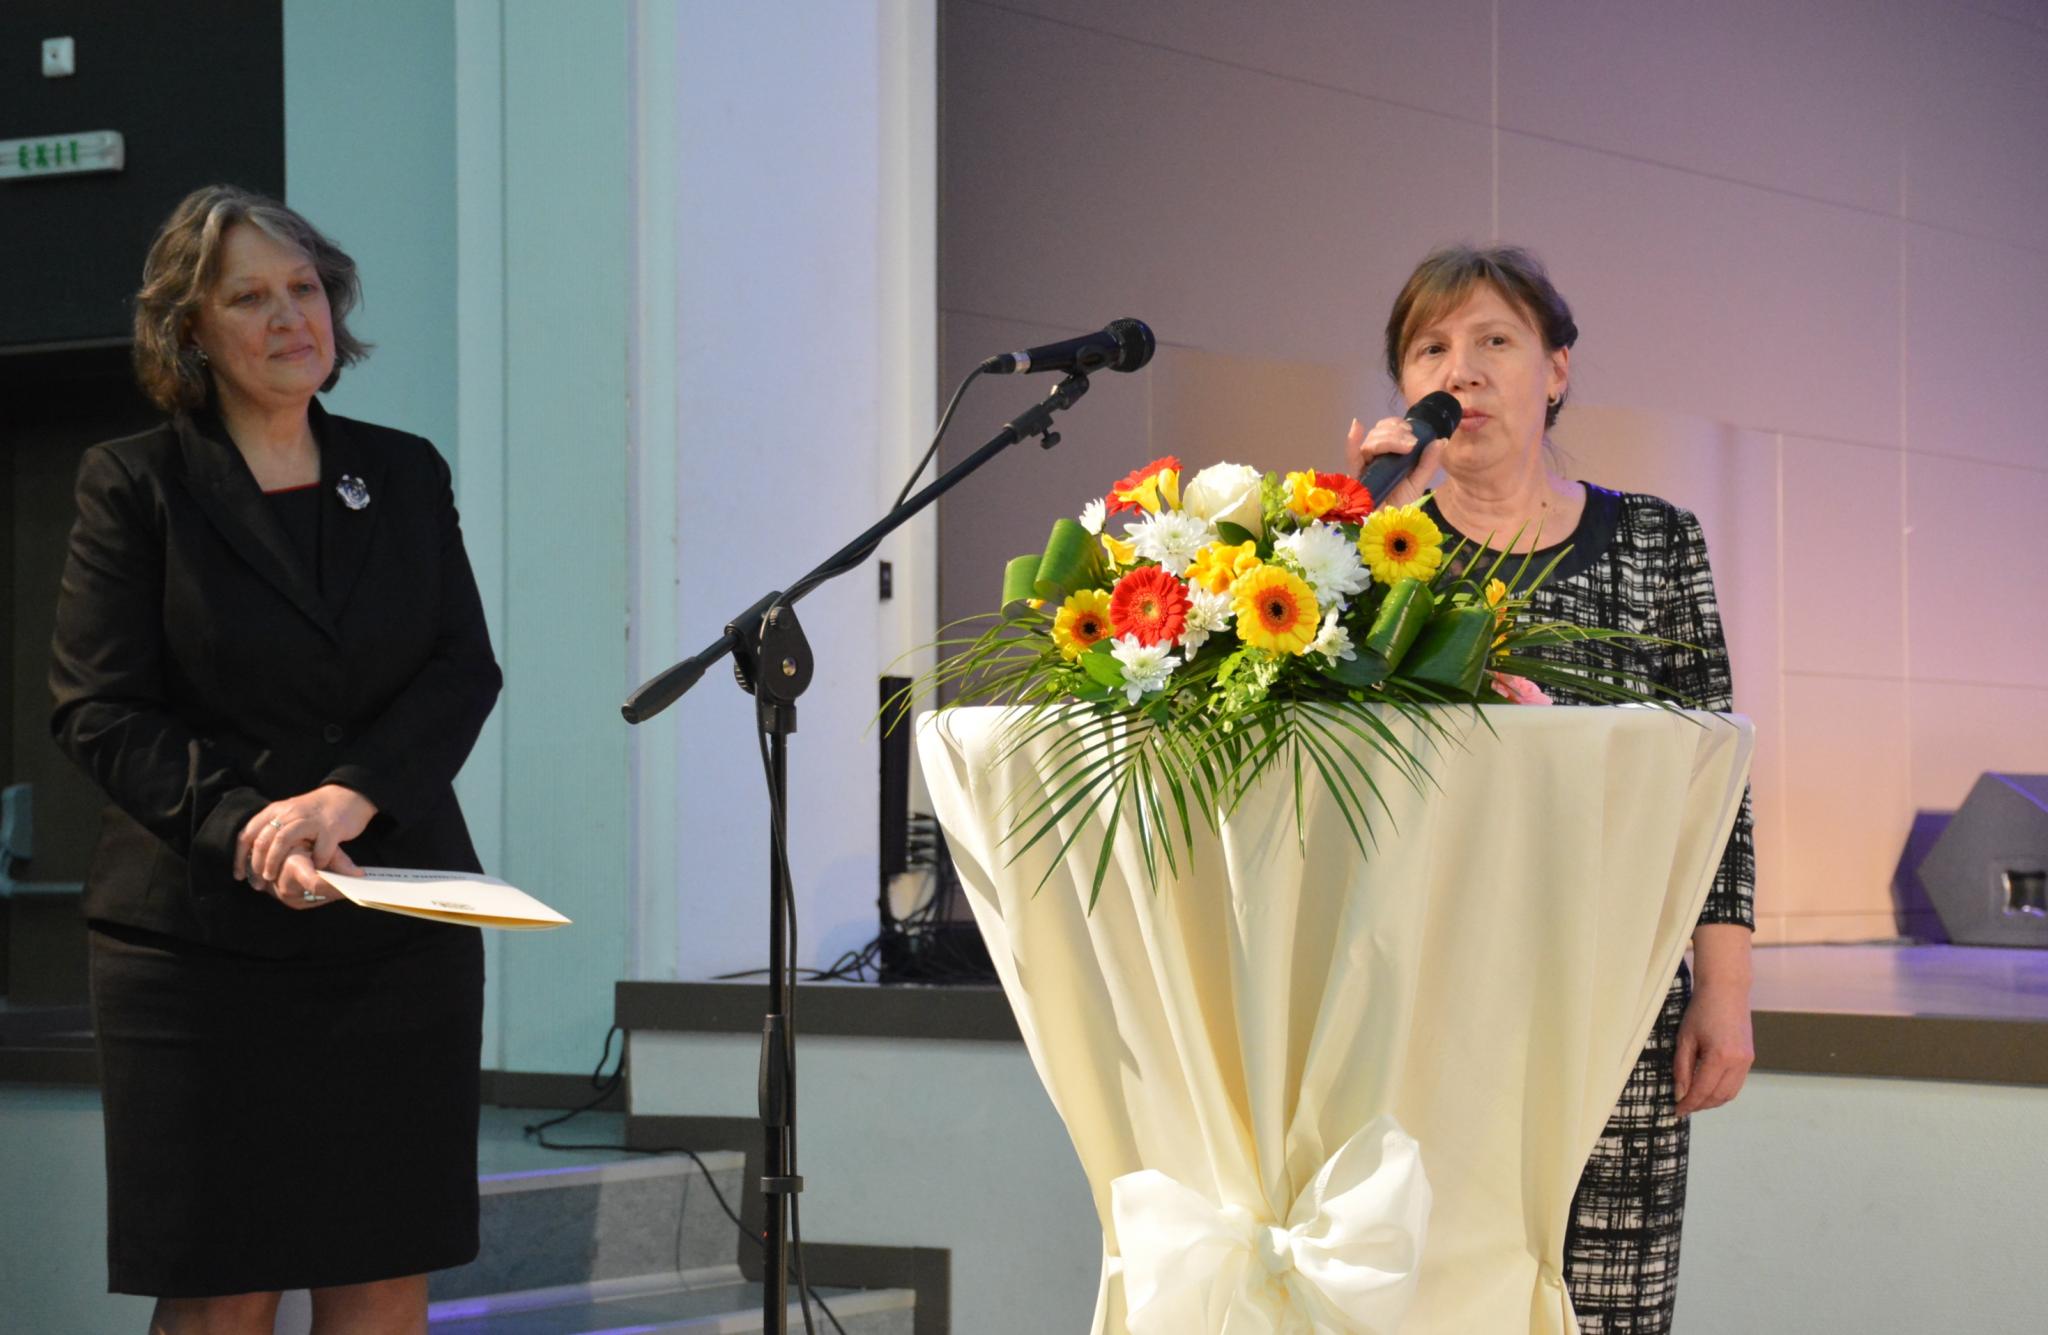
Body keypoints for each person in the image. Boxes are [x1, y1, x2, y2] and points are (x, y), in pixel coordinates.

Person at [49, 184, 501, 1334]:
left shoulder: (403, 472)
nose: (289, 316)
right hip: (199, 948)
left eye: (303, 288)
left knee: (384, 1269)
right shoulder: (135, 483)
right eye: (248, 297)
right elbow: (99, 709)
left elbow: (460, 669)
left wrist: (348, 800)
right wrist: (248, 825)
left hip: (392, 924)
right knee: (225, 1286)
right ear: (189, 332)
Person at [1347, 244, 1756, 1333]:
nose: (1462, 371)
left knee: (1608, 1302)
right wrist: (1360, 533)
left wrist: (1722, 990)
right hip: (1428, 999)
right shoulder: (1376, 553)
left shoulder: (1657, 542)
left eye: (1495, 341)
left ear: (1556, 370)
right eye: (1430, 349)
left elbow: (1712, 787)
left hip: (1612, 987)